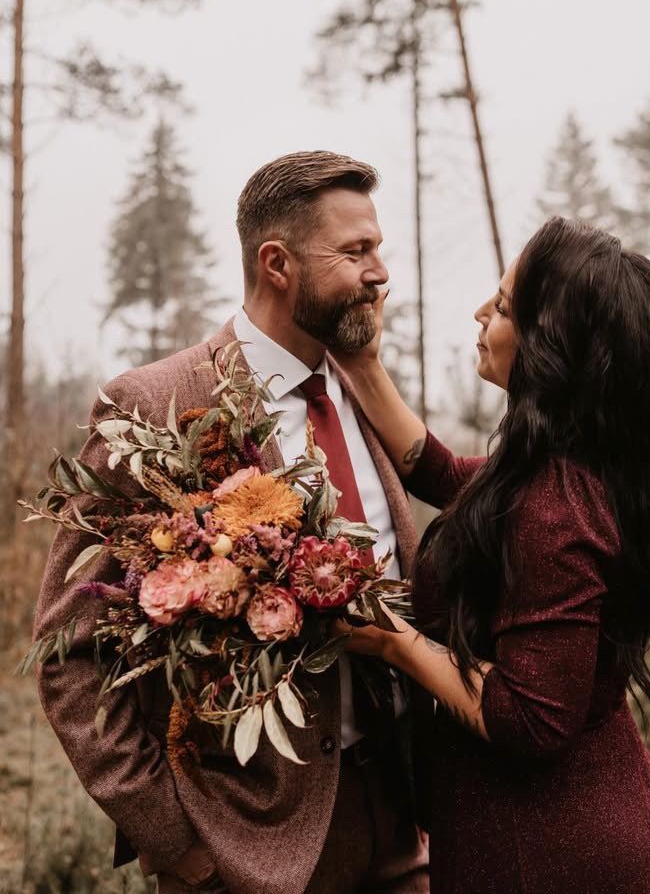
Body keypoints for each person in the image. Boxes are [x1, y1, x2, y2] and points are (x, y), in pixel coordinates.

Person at [33, 151, 429, 894]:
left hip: (401, 825)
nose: (380, 272)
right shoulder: (152, 404)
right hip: (246, 850)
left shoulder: (363, 390)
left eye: (379, 249)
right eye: (356, 252)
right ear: (277, 263)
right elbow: (69, 651)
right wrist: (170, 834)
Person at [331, 216, 650, 894]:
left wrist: (394, 643)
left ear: (553, 347)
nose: (481, 313)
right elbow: (447, 476)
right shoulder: (574, 465)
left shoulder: (555, 508)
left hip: (555, 856)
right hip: (562, 834)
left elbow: (532, 719)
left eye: (505, 306)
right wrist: (364, 364)